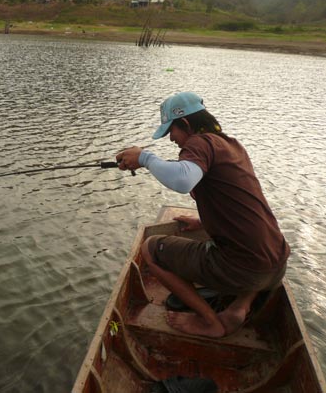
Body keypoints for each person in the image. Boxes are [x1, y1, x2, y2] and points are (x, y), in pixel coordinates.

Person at [116, 92, 289, 338]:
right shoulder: (231, 146)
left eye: (171, 132)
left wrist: (144, 157)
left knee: (150, 249)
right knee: (247, 254)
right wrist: (203, 222)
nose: (171, 139)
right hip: (277, 265)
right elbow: (241, 207)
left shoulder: (200, 143)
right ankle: (240, 306)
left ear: (185, 124)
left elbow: (183, 179)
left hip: (245, 270)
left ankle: (210, 322)